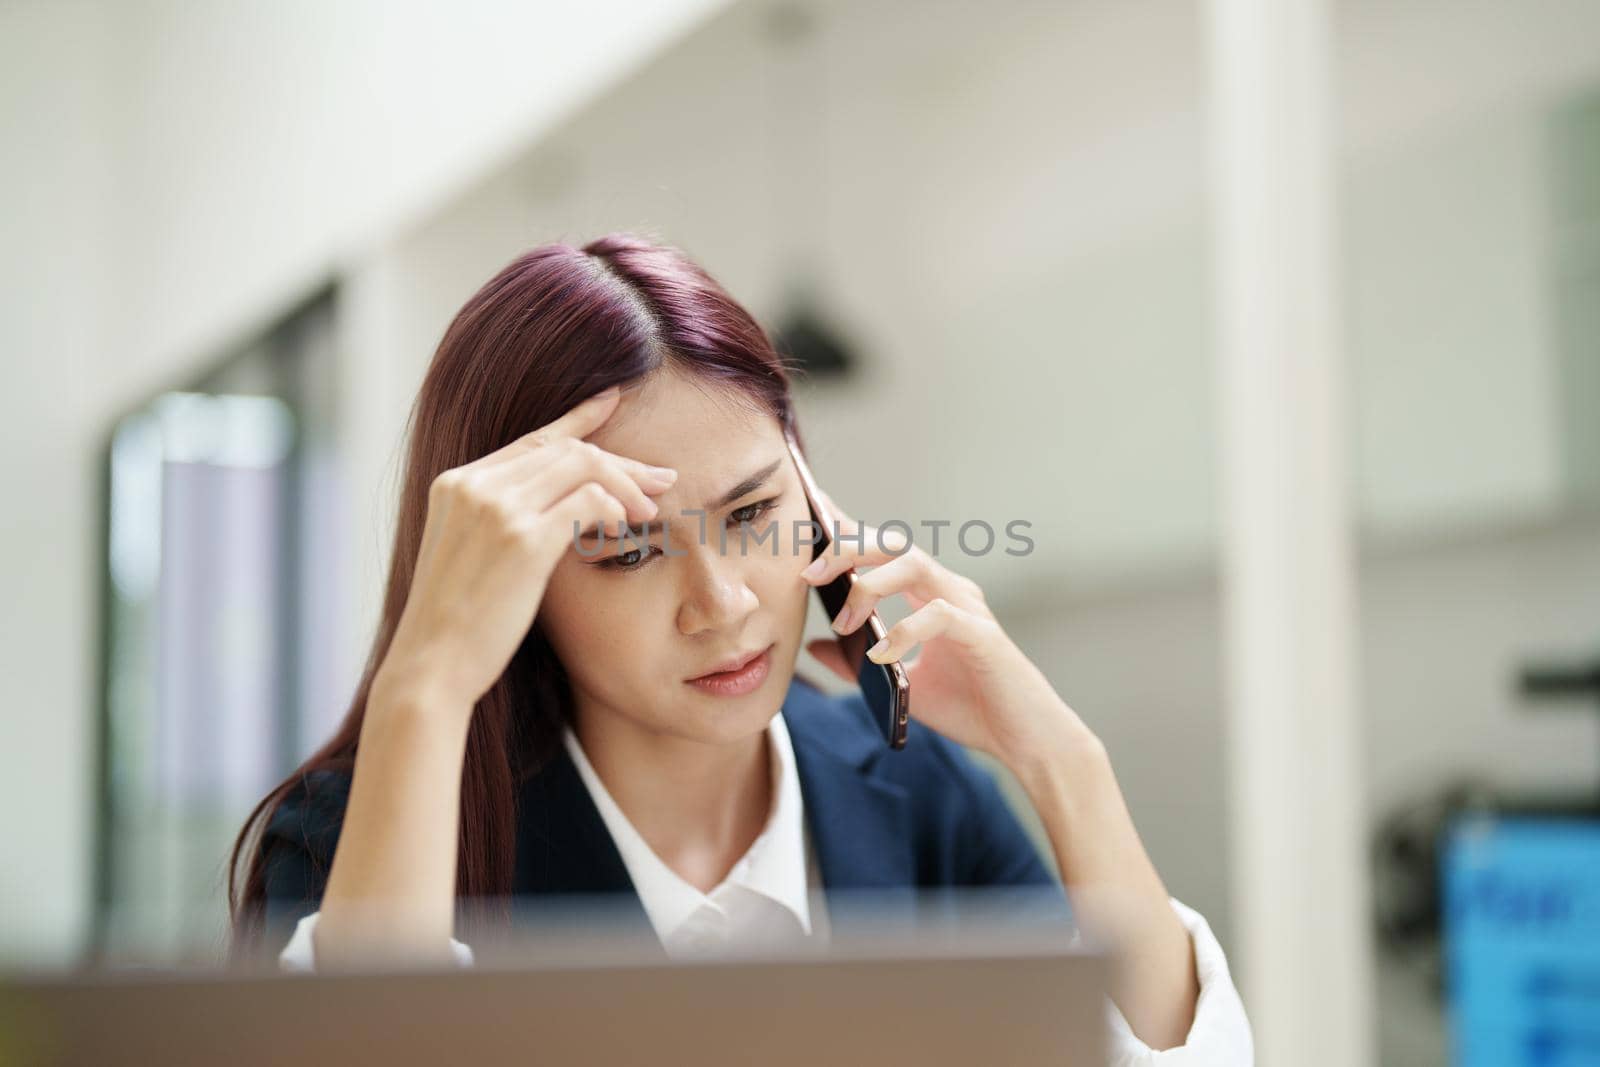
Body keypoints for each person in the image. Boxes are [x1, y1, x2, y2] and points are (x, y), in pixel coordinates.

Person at [229, 233, 1252, 1064]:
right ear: (514, 570)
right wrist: (428, 678)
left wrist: (1062, 760)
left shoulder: (915, 788)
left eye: (756, 509)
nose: (718, 604)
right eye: (627, 546)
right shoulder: (357, 843)